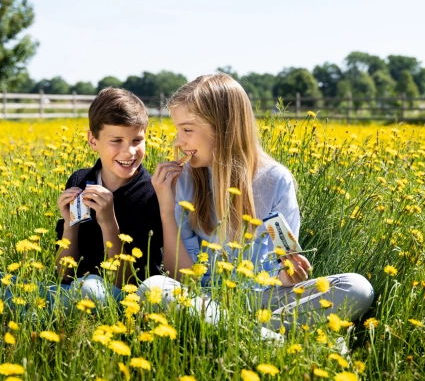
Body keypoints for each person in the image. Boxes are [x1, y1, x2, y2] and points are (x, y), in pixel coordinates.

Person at [138, 73, 374, 337]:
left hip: (265, 298)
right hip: (206, 300)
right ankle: (272, 340)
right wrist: (166, 208)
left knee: (357, 287)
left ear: (223, 127)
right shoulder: (183, 181)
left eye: (187, 130)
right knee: (154, 287)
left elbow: (284, 263)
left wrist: (290, 275)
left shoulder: (275, 180)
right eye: (178, 130)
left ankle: (244, 335)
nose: (178, 141)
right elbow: (180, 277)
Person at [0, 87, 164, 315]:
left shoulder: (150, 193)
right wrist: (69, 224)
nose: (129, 152)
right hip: (68, 290)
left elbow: (124, 283)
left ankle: (28, 314)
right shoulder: (80, 180)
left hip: (114, 299)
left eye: (137, 140)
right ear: (93, 140)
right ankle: (37, 310)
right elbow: (64, 275)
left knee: (90, 288)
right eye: (116, 140)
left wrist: (109, 223)